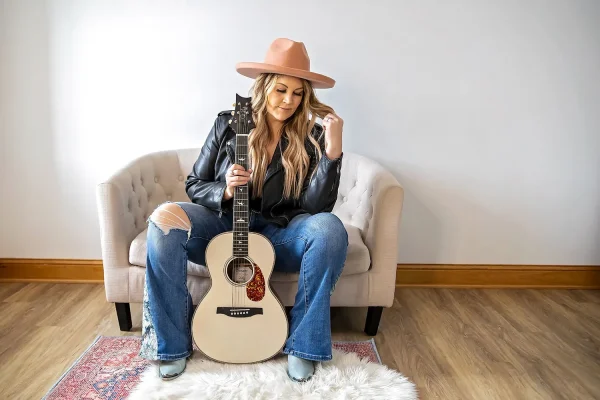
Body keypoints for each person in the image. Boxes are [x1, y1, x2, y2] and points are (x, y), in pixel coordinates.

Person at [138, 38, 348, 383]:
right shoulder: (227, 123)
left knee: (329, 228)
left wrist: (332, 153)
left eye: (297, 94)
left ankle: (304, 346)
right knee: (164, 219)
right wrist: (225, 189)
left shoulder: (311, 135)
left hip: (279, 235)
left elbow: (316, 207)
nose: (288, 101)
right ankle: (171, 346)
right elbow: (195, 183)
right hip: (223, 229)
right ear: (264, 86)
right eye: (281, 90)